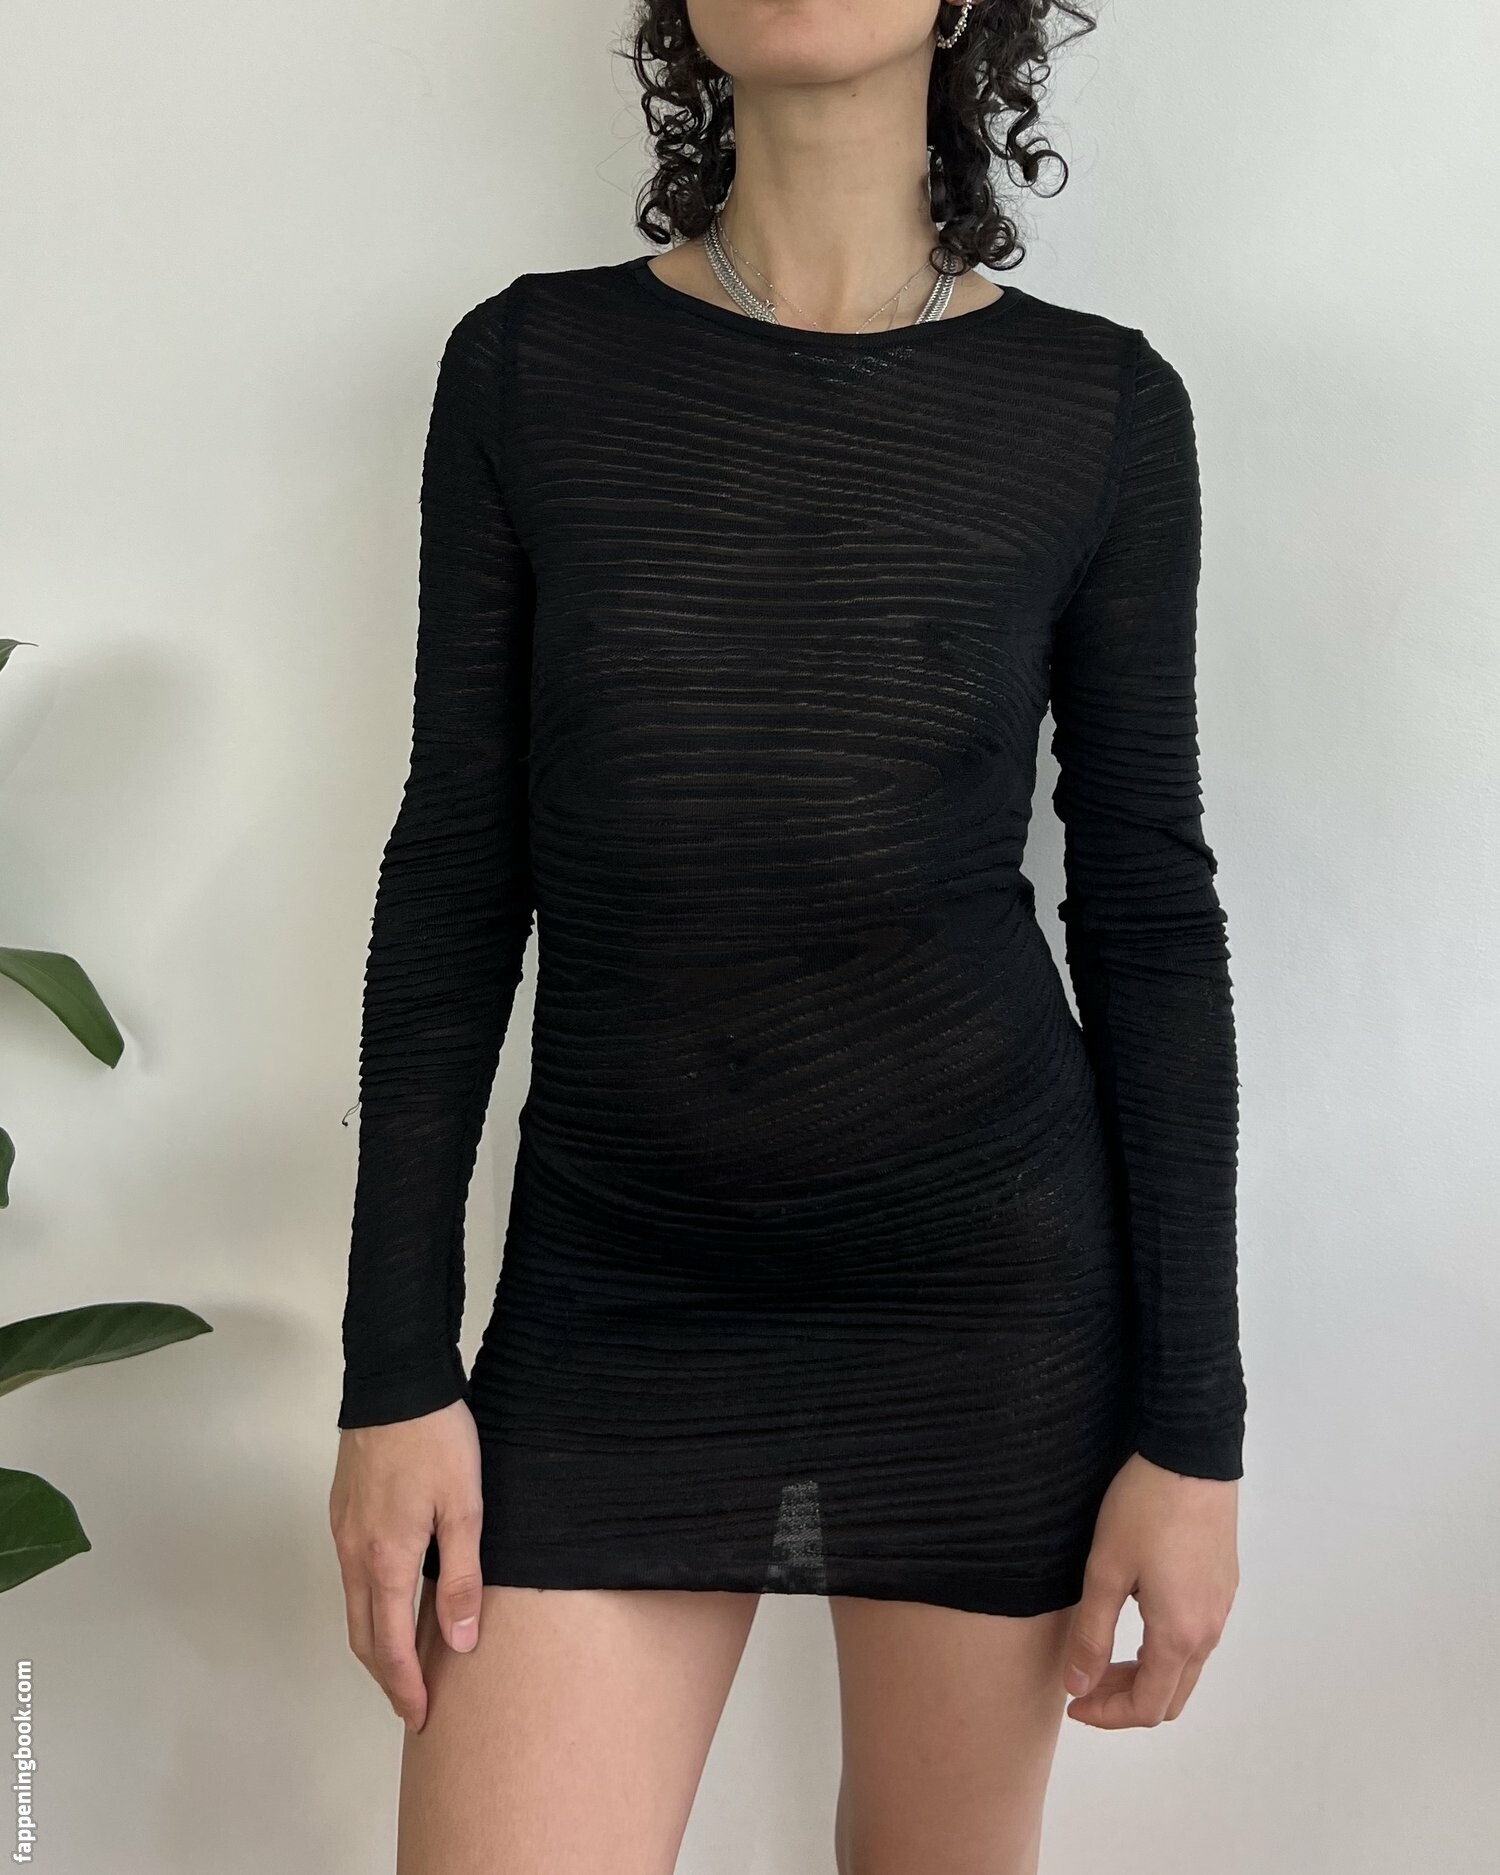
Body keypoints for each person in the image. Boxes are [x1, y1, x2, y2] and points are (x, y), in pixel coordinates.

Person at [328, 2, 1246, 1869]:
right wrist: (394, 1371)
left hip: (988, 1306)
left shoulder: (1098, 409)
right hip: (615, 1298)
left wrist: (1196, 1434)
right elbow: (453, 877)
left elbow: (1150, 917)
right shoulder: (531, 369)